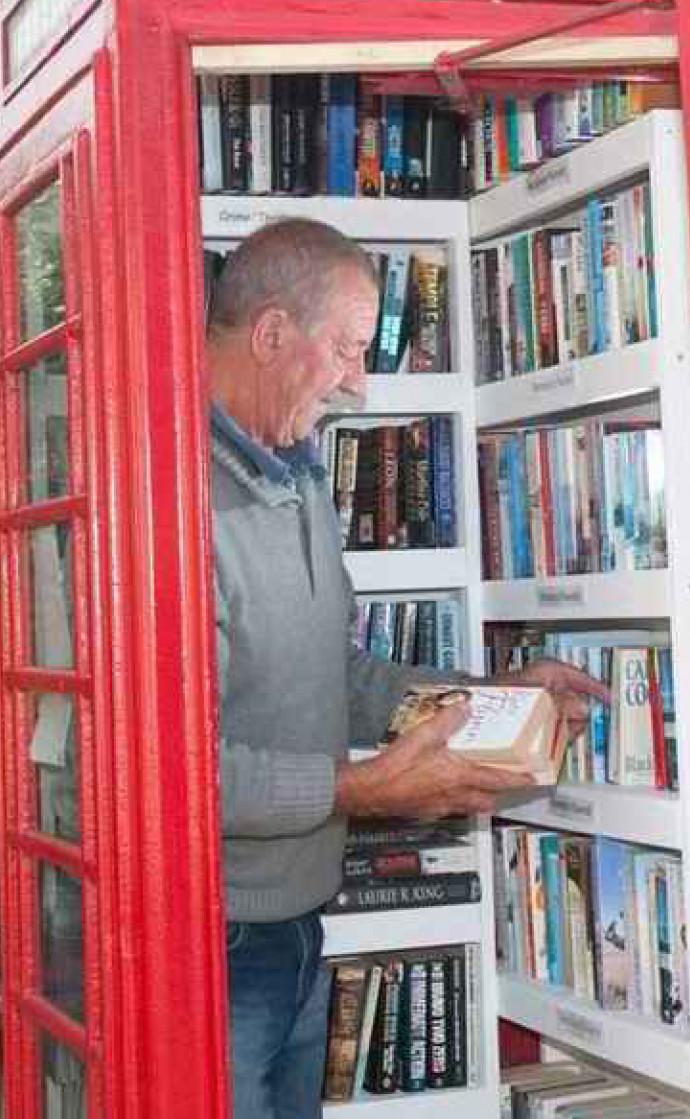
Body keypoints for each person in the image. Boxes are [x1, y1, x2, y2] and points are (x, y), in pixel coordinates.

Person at [207, 217, 606, 1119]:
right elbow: (172, 769)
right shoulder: (169, 494)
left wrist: (489, 698)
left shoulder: (298, 477)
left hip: (299, 924)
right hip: (207, 939)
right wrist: (366, 787)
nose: (359, 378)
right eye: (346, 346)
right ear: (272, 334)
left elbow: (337, 674)